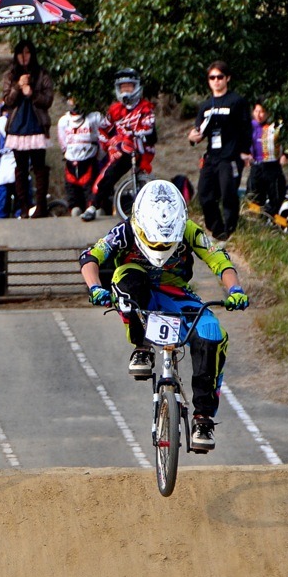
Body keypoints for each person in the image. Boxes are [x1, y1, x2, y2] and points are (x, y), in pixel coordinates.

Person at [79, 180, 249, 450]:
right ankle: (142, 346)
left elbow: (219, 259)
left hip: (177, 295)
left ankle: (203, 418)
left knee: (212, 334)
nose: (160, 248)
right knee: (128, 281)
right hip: (139, 287)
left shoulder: (190, 230)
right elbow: (91, 257)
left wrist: (235, 289)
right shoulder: (124, 231)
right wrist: (95, 288)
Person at [187, 61, 252, 240]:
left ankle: (230, 230)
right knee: (204, 194)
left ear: (227, 78)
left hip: (230, 156)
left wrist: (245, 151)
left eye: (220, 77)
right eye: (212, 77)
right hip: (211, 156)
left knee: (228, 193)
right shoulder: (206, 106)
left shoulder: (237, 101)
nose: (216, 81)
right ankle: (217, 229)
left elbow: (246, 128)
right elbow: (197, 132)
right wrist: (192, 137)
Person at [81, 69, 156, 221]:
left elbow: (149, 128)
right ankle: (92, 206)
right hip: (122, 151)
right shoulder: (115, 109)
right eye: (123, 87)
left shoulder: (146, 108)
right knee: (108, 174)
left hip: (142, 148)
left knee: (147, 179)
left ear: (137, 87)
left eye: (129, 86)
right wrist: (109, 144)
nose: (126, 90)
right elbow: (102, 129)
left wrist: (133, 133)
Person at [1, 40, 54, 218]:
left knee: (39, 168)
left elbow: (48, 100)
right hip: (18, 126)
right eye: (20, 53)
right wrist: (18, 86)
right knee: (21, 169)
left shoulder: (41, 74)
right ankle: (23, 207)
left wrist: (32, 94)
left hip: (37, 124)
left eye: (27, 52)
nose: (24, 57)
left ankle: (41, 206)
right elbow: (7, 100)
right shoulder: (10, 75)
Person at [56, 95, 102, 216]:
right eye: (72, 101)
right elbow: (63, 142)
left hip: (89, 159)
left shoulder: (93, 118)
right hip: (71, 160)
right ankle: (74, 207)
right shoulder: (63, 121)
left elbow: (101, 137)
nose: (74, 104)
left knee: (91, 187)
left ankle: (92, 206)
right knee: (71, 188)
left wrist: (100, 153)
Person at [245, 99, 287, 217]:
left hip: (272, 167)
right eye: (256, 111)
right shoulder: (249, 126)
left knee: (276, 198)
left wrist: (286, 155)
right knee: (252, 198)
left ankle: (272, 223)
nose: (259, 115)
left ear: (268, 113)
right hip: (256, 167)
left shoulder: (277, 126)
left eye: (262, 112)